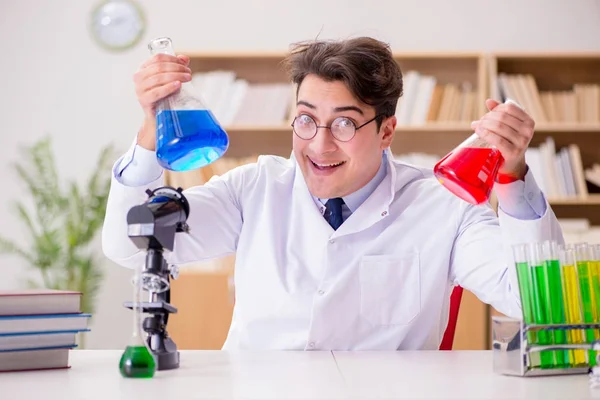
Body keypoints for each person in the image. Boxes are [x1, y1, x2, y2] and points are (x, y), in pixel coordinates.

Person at [102, 36, 564, 351]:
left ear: (387, 131)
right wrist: (149, 132)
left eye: (344, 123)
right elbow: (130, 245)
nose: (319, 144)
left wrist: (513, 174)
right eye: (306, 119)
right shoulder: (254, 188)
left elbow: (538, 303)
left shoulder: (444, 205)